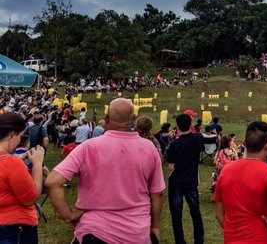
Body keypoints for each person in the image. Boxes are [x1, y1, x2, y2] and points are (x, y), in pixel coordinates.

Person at [45, 98, 165, 244]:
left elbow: (52, 182)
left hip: (95, 231)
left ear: (107, 118)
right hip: (136, 232)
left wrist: (68, 216)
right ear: (134, 119)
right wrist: (154, 226)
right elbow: (157, 194)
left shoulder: (88, 147)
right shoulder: (149, 148)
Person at [214, 121, 267, 243]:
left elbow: (219, 213)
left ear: (245, 143)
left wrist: (232, 232)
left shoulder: (225, 171)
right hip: (261, 238)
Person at [0, 112, 45, 244]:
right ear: (13, 134)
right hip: (14, 227)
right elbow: (30, 198)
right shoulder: (11, 163)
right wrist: (37, 164)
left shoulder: (10, 162)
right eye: (20, 135)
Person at [166, 113, 205, 244]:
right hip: (191, 180)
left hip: (177, 182)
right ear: (191, 125)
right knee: (195, 212)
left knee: (176, 215)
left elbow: (171, 167)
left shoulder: (174, 145)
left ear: (177, 126)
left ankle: (180, 241)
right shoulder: (198, 138)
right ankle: (199, 239)